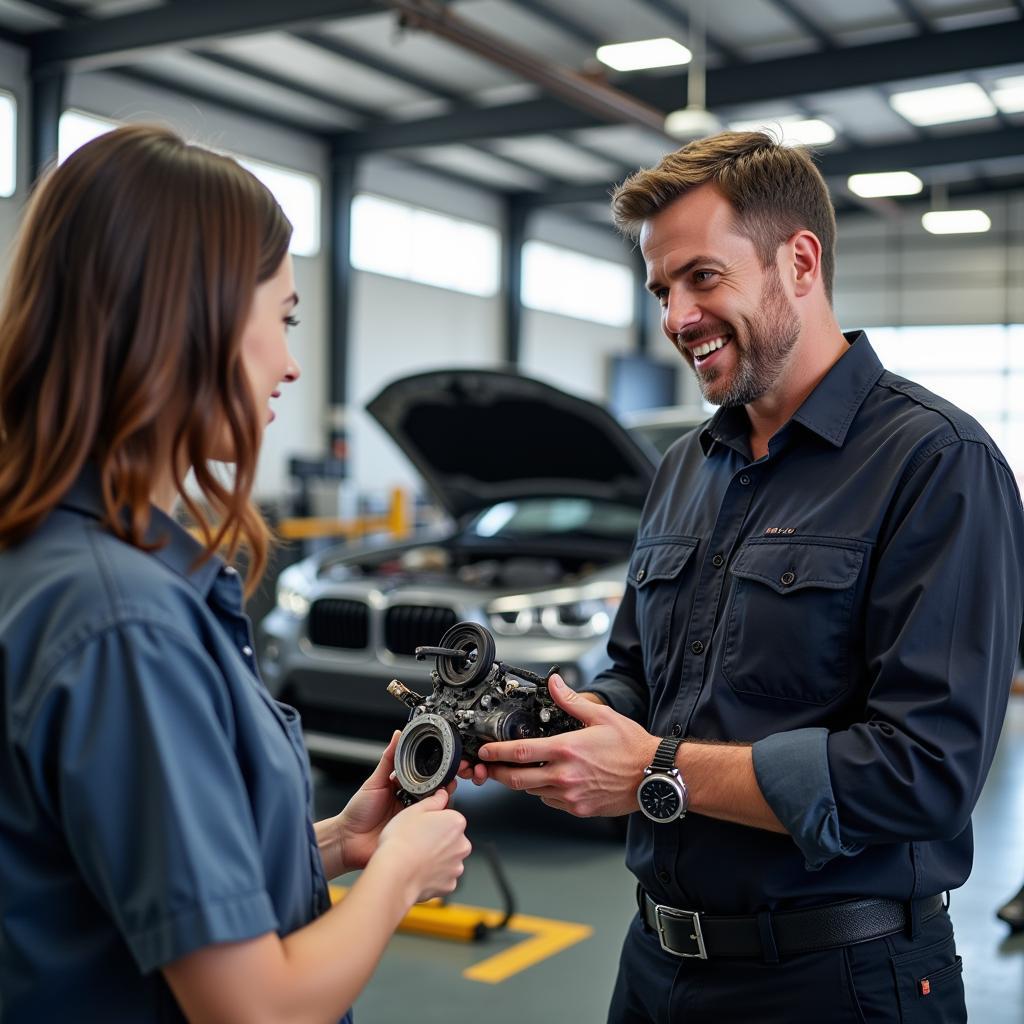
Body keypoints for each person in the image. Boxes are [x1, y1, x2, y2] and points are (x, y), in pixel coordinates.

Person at [463, 131, 1024, 1022]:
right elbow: (640, 675)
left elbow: (924, 773)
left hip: (840, 981)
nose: (675, 318)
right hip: (656, 963)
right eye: (660, 290)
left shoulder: (937, 463)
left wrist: (654, 769)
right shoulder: (687, 466)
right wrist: (563, 725)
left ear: (799, 261)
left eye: (702, 278)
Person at [0, 125, 471, 1023]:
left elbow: (116, 874)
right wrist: (402, 875)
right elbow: (257, 1007)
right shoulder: (122, 619)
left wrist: (336, 842)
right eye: (284, 317)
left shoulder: (56, 562)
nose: (291, 363)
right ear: (193, 315)